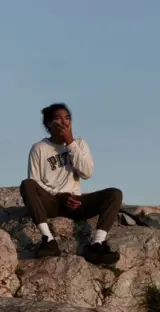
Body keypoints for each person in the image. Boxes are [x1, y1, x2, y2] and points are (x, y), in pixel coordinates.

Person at [19, 103, 122, 265]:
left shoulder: (79, 144)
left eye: (67, 118)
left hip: (76, 203)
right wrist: (59, 196)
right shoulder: (39, 148)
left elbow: (87, 173)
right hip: (52, 203)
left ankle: (97, 245)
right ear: (48, 124)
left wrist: (70, 143)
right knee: (27, 184)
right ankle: (48, 240)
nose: (64, 122)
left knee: (115, 194)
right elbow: (34, 181)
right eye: (58, 118)